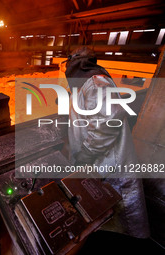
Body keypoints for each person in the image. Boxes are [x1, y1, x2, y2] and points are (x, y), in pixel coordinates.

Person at [63, 46, 150, 238]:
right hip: (100, 165)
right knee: (107, 217)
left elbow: (108, 120)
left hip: (111, 165)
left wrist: (85, 153)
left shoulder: (95, 82)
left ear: (75, 61)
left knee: (122, 221)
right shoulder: (88, 82)